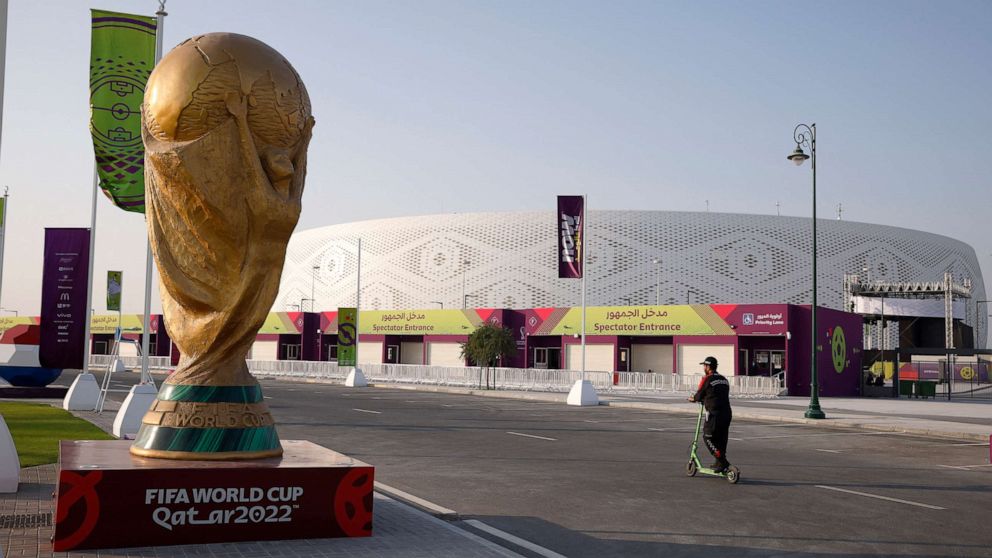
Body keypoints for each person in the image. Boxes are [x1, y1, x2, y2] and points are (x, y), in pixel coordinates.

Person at [688, 356, 733, 473]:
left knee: (707, 437)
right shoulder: (724, 379)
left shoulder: (707, 379)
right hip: (727, 413)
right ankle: (719, 463)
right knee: (721, 439)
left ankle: (722, 461)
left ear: (708, 367)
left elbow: (698, 395)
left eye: (704, 365)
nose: (704, 367)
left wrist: (693, 398)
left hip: (714, 414)